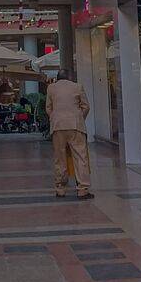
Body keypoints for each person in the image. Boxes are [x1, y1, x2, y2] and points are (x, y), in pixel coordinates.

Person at [45, 68, 93, 198]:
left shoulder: (51, 88)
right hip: (75, 126)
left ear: (58, 77)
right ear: (70, 77)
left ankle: (60, 188)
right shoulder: (77, 87)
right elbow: (86, 106)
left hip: (57, 126)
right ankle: (82, 189)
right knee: (80, 156)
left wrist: (54, 117)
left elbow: (48, 108)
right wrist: (79, 118)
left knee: (59, 157)